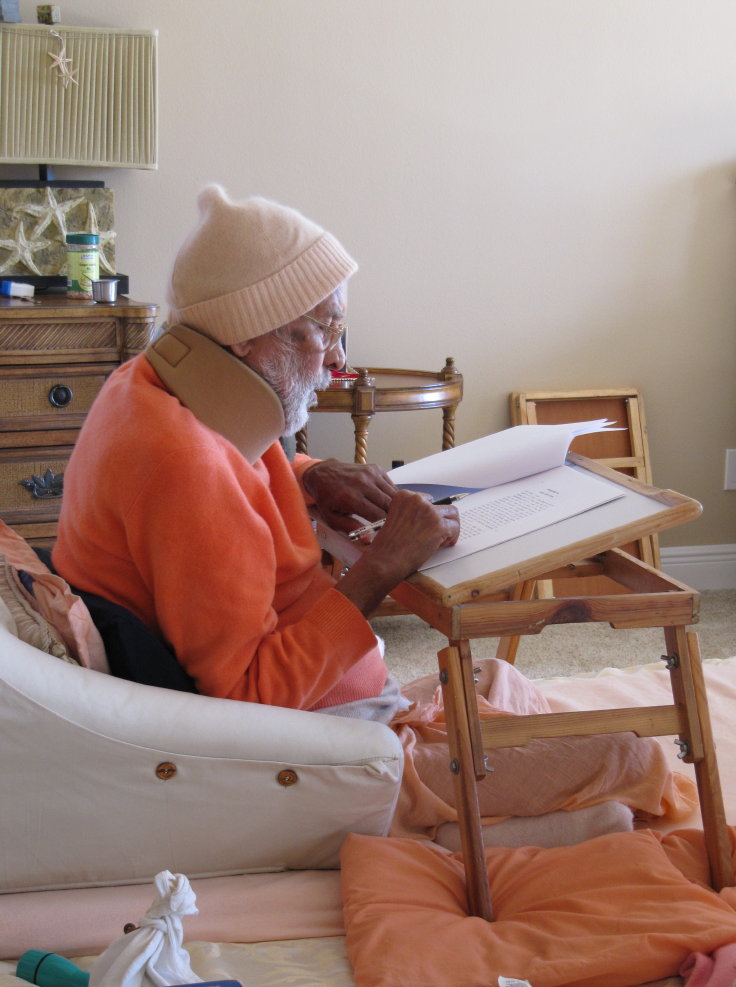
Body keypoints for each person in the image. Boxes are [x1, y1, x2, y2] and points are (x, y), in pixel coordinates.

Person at [54, 184, 695, 841]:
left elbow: (233, 474)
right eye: (326, 330)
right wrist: (381, 569)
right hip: (326, 751)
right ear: (246, 337)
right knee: (633, 756)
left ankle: (487, 814)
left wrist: (310, 473)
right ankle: (431, 826)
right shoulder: (184, 465)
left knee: (498, 678)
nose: (338, 360)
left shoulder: (153, 385)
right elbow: (248, 701)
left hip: (352, 703)